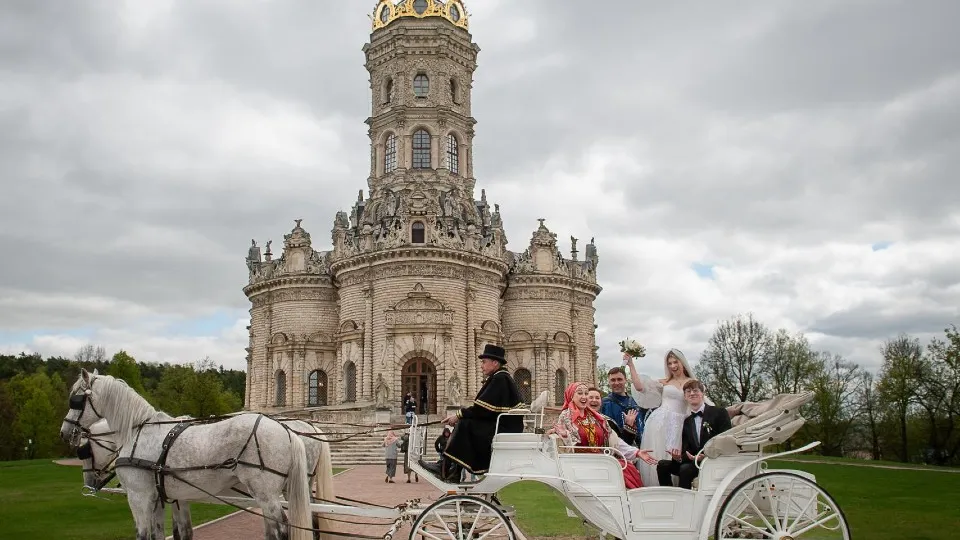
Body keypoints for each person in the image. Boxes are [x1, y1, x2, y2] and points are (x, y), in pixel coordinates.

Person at [420, 344, 524, 482]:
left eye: (484, 362)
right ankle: (452, 471)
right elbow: (484, 409)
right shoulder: (500, 377)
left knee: (465, 424)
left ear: (495, 363)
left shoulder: (500, 379)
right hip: (501, 424)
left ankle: (445, 468)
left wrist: (458, 415)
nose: (481, 365)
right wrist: (460, 416)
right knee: (465, 424)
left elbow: (482, 409)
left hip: (503, 427)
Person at [549, 382, 646, 489]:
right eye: (580, 393)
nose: (584, 397)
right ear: (571, 396)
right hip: (580, 464)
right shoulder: (566, 416)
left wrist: (636, 452)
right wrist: (564, 435)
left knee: (628, 469)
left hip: (602, 460)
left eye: (586, 394)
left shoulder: (597, 417)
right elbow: (564, 447)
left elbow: (613, 441)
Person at [626, 349, 700, 487]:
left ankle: (681, 490)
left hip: (682, 424)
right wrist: (631, 365)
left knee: (678, 457)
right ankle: (658, 490)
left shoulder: (693, 382)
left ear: (682, 362)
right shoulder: (664, 382)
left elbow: (701, 401)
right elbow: (640, 387)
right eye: (669, 363)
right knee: (660, 456)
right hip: (660, 423)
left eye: (675, 362)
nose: (673, 366)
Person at [646, 379, 732, 489]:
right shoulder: (687, 422)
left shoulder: (719, 412)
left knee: (685, 469)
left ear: (702, 394)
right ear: (685, 397)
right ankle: (669, 497)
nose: (692, 393)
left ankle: (684, 502)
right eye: (688, 392)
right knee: (662, 465)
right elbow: (687, 449)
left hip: (713, 460)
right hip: (694, 461)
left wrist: (706, 455)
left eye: (695, 390)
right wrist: (678, 458)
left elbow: (725, 439)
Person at [600, 366, 643, 446]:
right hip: (617, 448)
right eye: (613, 380)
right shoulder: (605, 403)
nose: (616, 383)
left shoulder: (635, 402)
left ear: (625, 380)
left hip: (639, 448)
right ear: (608, 382)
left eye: (619, 379)